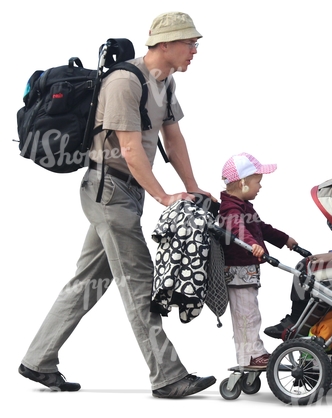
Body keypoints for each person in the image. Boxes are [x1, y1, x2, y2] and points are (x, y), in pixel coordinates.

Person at [18, 11, 217, 398]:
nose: (195, 50)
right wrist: (164, 195)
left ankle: (37, 360)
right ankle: (169, 376)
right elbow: (128, 148)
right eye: (189, 43)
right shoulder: (125, 82)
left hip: (127, 191)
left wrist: (192, 187)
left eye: (196, 44)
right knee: (140, 283)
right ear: (165, 44)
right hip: (109, 190)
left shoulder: (165, 82)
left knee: (88, 282)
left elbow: (172, 140)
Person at [219, 152, 298, 369]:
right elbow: (236, 227)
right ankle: (251, 356)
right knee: (247, 315)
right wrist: (251, 243)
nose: (260, 187)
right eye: (257, 182)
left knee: (250, 312)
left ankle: (252, 354)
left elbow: (261, 227)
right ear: (243, 183)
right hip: (238, 271)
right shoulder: (230, 208)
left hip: (246, 271)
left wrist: (284, 240)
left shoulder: (245, 206)